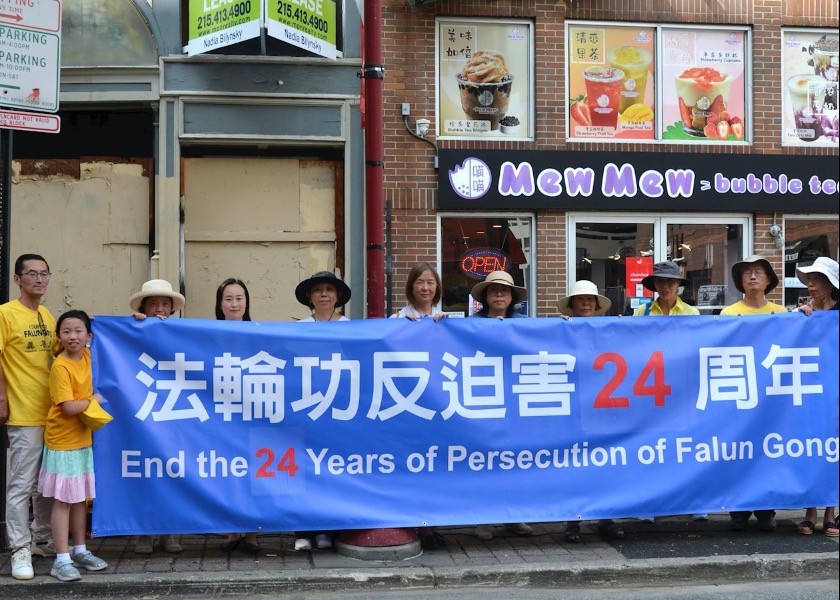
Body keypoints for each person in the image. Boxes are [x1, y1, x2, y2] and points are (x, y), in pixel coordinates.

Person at [632, 262, 708, 523]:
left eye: (670, 282)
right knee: (651, 449)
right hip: (650, 392)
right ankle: (649, 504)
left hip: (682, 391)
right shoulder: (640, 313)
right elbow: (631, 347)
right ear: (654, 285)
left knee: (688, 446)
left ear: (678, 285)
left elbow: (698, 348)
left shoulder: (692, 313)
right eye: (661, 282)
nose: (665, 286)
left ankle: (695, 502)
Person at [1, 254, 59, 580]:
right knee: (21, 485)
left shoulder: (47, 315)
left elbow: (59, 350)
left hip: (51, 413)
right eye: (31, 274)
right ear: (17, 279)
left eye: (43, 273)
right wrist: (2, 396)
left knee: (45, 485)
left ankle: (41, 538)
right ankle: (19, 549)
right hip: (23, 413)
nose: (39, 279)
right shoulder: (5, 314)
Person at [38, 310, 109, 581]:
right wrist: (95, 401)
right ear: (58, 337)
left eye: (79, 331)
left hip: (81, 439)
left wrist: (102, 319)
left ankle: (80, 550)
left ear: (88, 336)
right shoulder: (61, 366)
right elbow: (68, 407)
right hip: (62, 443)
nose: (73, 336)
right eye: (66, 331)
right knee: (64, 501)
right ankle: (61, 558)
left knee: (80, 499)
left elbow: (112, 335)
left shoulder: (88, 355)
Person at [721, 255, 786, 532]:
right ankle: (739, 510)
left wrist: (809, 319)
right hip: (738, 393)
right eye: (747, 272)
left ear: (768, 279)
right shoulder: (728, 314)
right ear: (740, 281)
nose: (752, 276)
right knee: (739, 450)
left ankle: (765, 509)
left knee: (767, 452)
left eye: (758, 272)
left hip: (770, 396)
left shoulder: (782, 314)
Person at [468, 270, 534, 541]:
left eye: (504, 291)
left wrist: (566, 326)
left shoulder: (525, 323)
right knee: (485, 459)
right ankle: (485, 518)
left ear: (511, 297)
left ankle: (514, 517)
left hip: (515, 399)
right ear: (485, 296)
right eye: (493, 290)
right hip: (483, 399)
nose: (498, 294)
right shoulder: (470, 324)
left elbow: (546, 343)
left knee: (514, 460)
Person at [558, 281, 625, 541]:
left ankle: (606, 517)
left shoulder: (610, 331)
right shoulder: (561, 329)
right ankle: (572, 520)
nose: (585, 303)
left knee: (604, 465)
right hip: (572, 409)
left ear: (597, 305)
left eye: (590, 299)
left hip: (602, 409)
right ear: (572, 304)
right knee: (573, 466)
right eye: (580, 299)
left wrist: (625, 329)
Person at [291, 271, 352, 551]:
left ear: (338, 296)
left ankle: (329, 529)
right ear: (309, 297)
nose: (324, 294)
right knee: (305, 469)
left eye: (329, 289)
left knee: (331, 470)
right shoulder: (299, 328)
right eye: (318, 290)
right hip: (306, 407)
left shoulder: (351, 328)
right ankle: (303, 530)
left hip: (338, 409)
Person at [128, 279, 186, 554]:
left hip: (175, 409)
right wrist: (132, 325)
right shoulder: (133, 329)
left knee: (174, 470)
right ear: (143, 307)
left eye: (165, 304)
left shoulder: (183, 332)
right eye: (154, 304)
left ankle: (171, 531)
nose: (160, 309)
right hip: (143, 409)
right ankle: (144, 533)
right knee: (146, 471)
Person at [793, 257, 839, 537]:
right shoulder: (803, 314)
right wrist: (797, 320)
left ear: (830, 283)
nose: (810, 285)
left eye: (816, 279)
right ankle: (810, 512)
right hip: (811, 390)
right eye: (808, 279)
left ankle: (830, 512)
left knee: (834, 450)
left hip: (836, 390)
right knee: (813, 448)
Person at [216, 278, 260, 555]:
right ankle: (232, 531)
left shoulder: (259, 332)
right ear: (220, 304)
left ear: (246, 302)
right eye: (228, 298)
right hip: (221, 412)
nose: (234, 303)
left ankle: (254, 532)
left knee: (255, 471)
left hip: (255, 412)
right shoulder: (206, 332)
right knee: (230, 471)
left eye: (239, 298)